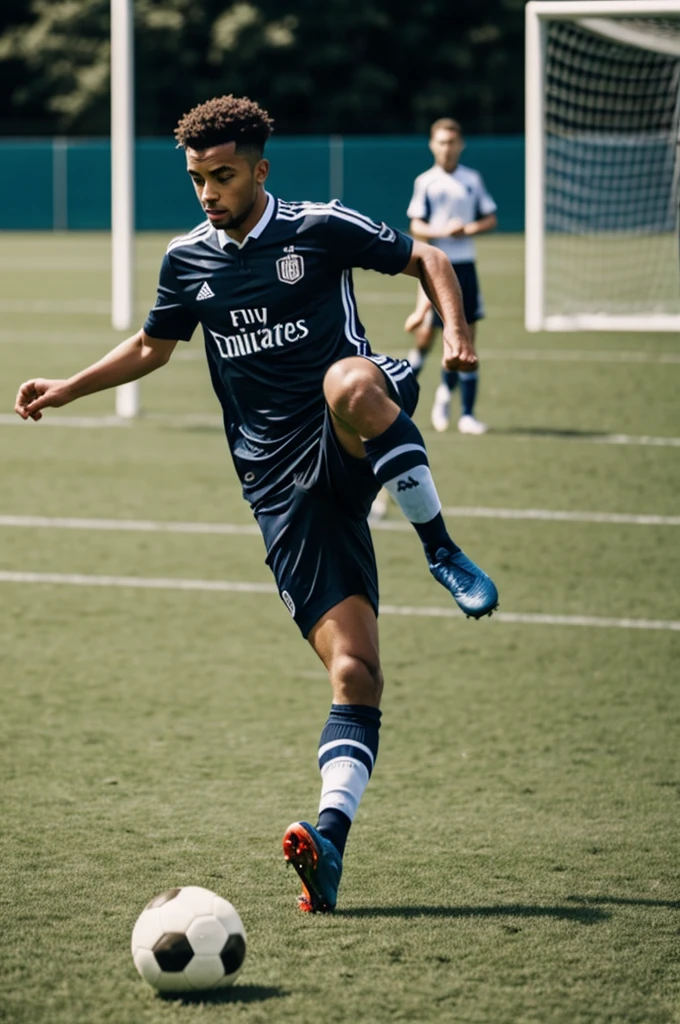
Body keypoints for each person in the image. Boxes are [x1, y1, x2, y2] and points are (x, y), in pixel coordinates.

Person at [14, 95, 498, 914]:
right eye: (199, 178)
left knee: (348, 379)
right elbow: (150, 347)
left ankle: (442, 547)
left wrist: (457, 336)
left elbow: (433, 261)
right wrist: (66, 388)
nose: (209, 191)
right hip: (279, 490)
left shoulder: (316, 227)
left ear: (260, 170)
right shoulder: (187, 261)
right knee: (357, 673)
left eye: (224, 175)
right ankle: (330, 842)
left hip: (350, 421)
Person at [405, 117, 498, 435]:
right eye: (441, 142)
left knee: (466, 342)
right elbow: (416, 226)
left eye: (452, 142)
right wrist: (443, 231)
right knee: (425, 339)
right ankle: (400, 402)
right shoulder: (426, 182)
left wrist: (468, 229)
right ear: (433, 145)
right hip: (435, 266)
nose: (447, 148)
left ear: (461, 145)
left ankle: (463, 411)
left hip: (465, 268)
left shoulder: (471, 179)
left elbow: (490, 217)